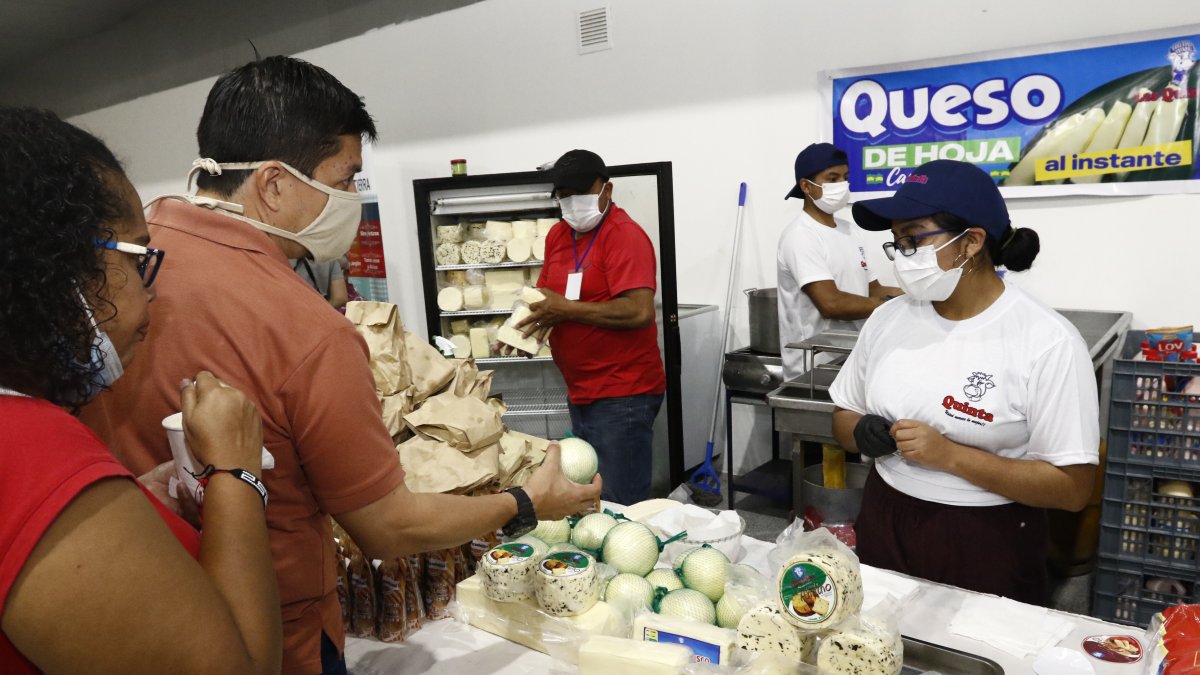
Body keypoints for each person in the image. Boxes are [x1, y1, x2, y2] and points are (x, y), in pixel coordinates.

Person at [79, 57, 600, 674]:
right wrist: (523, 502)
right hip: (273, 631)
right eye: (346, 177)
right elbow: (387, 527)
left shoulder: (131, 256)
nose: (352, 198)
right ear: (274, 184)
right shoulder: (307, 330)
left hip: (131, 600)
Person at [0, 107, 281, 673]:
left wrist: (131, 509)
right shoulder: (27, 444)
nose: (151, 296)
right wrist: (235, 472)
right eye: (137, 255)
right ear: (57, 265)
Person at [829, 159, 1099, 605]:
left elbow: (1072, 489)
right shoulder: (888, 319)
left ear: (971, 242)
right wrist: (860, 432)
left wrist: (951, 456)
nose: (902, 255)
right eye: (896, 242)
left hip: (986, 536)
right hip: (885, 513)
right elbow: (843, 413)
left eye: (913, 237)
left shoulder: (1045, 341)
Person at [514, 149, 666, 505]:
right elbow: (547, 296)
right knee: (588, 490)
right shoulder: (557, 236)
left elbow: (638, 311)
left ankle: (627, 557)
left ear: (607, 190)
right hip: (581, 389)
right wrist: (522, 326)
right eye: (563, 194)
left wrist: (565, 308)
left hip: (622, 392)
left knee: (617, 499)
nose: (571, 202)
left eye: (580, 192)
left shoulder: (624, 236)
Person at [777, 143, 900, 381]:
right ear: (806, 186)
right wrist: (892, 307)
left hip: (852, 357)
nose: (841, 185)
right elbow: (831, 303)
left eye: (845, 177)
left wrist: (912, 296)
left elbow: (873, 289)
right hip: (814, 367)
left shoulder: (849, 231)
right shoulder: (801, 235)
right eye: (832, 178)